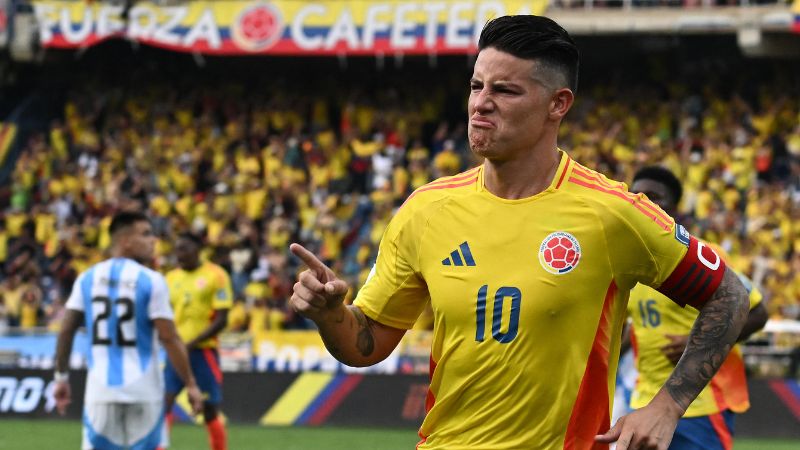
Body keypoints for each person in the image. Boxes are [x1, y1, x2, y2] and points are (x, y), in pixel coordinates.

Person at [289, 15, 750, 450]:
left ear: (558, 104)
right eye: (476, 85)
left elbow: (729, 295)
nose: (481, 102)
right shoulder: (426, 210)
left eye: (505, 90)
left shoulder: (611, 212)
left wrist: (666, 408)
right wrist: (331, 314)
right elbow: (366, 344)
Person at [625, 166, 768, 450]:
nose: (644, 204)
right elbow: (639, 327)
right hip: (641, 402)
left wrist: (696, 341)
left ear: (675, 209)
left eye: (654, 197)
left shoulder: (705, 256)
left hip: (700, 405)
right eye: (637, 197)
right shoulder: (626, 265)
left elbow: (758, 313)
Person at [53, 211, 202, 450]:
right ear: (125, 241)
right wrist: (191, 384)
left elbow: (66, 330)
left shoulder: (87, 278)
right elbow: (169, 337)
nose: (153, 240)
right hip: (144, 392)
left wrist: (61, 378)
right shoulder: (152, 280)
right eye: (145, 234)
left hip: (100, 393)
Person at [161, 233, 232, 450]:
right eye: (177, 249)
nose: (179, 254)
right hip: (175, 352)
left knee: (210, 409)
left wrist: (190, 343)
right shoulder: (170, 278)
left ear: (198, 249)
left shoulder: (216, 275)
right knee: (164, 404)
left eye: (184, 249)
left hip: (203, 353)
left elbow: (222, 319)